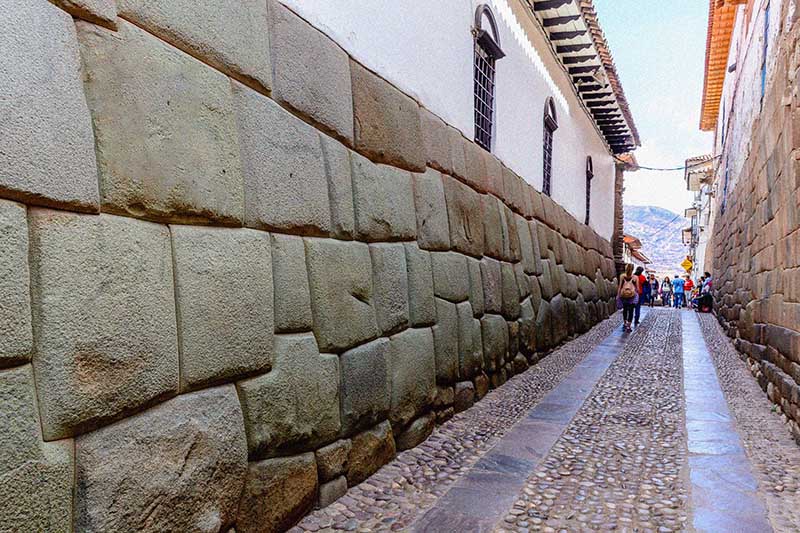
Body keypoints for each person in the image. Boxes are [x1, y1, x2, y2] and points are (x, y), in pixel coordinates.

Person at [617, 264, 639, 332]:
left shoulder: (622, 276)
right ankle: (629, 326)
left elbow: (620, 286)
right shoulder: (635, 277)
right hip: (632, 296)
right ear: (632, 269)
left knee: (625, 310)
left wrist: (618, 295)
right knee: (631, 311)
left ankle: (625, 324)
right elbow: (637, 288)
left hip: (624, 295)